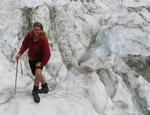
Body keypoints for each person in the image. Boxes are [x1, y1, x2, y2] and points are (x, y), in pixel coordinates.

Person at [16, 22, 51, 103]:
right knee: (37, 74)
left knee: (38, 73)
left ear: (41, 30)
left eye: (38, 30)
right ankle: (45, 87)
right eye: (35, 29)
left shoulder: (43, 39)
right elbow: (25, 45)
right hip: (31, 59)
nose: (36, 31)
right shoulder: (29, 36)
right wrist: (19, 53)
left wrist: (42, 63)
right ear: (33, 29)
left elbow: (47, 53)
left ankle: (35, 90)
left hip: (40, 59)